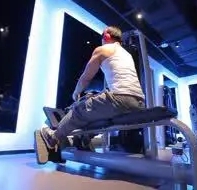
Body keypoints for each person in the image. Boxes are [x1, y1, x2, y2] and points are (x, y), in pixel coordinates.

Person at [34, 26, 146, 164]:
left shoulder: (103, 49)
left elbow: (86, 78)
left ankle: (53, 138)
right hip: (140, 103)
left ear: (106, 36)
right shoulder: (127, 54)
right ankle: (84, 139)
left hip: (120, 98)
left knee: (78, 110)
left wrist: (76, 92)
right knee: (99, 115)